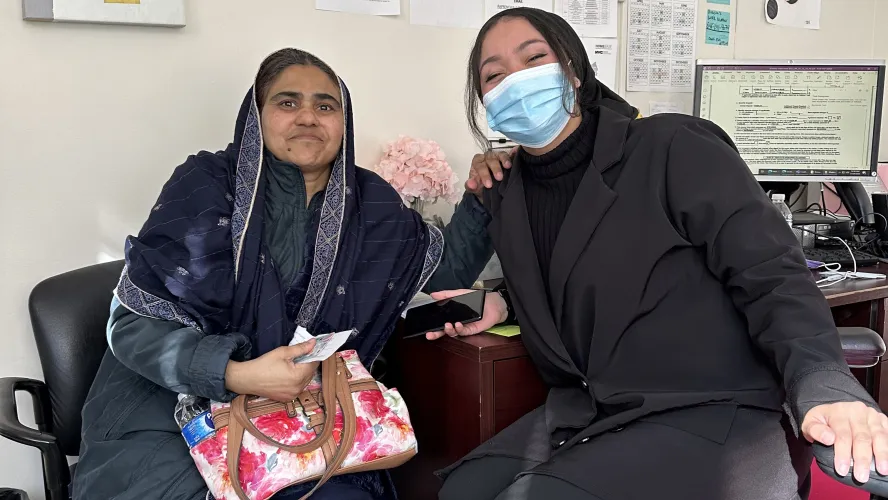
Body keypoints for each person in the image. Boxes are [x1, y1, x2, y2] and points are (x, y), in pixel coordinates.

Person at [433, 8, 888, 500]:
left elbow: (774, 276)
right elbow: (461, 280)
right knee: (461, 491)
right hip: (589, 409)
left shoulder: (672, 145)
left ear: (572, 68)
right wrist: (501, 285)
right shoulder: (508, 189)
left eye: (534, 58)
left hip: (708, 410)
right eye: (494, 76)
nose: (515, 82)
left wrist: (825, 381)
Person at [71, 48, 493, 500]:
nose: (308, 117)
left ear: (342, 122)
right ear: (256, 115)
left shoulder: (371, 203)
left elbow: (434, 270)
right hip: (172, 419)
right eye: (288, 102)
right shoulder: (207, 185)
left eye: (326, 105)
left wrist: (484, 195)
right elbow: (134, 324)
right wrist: (235, 374)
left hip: (304, 417)